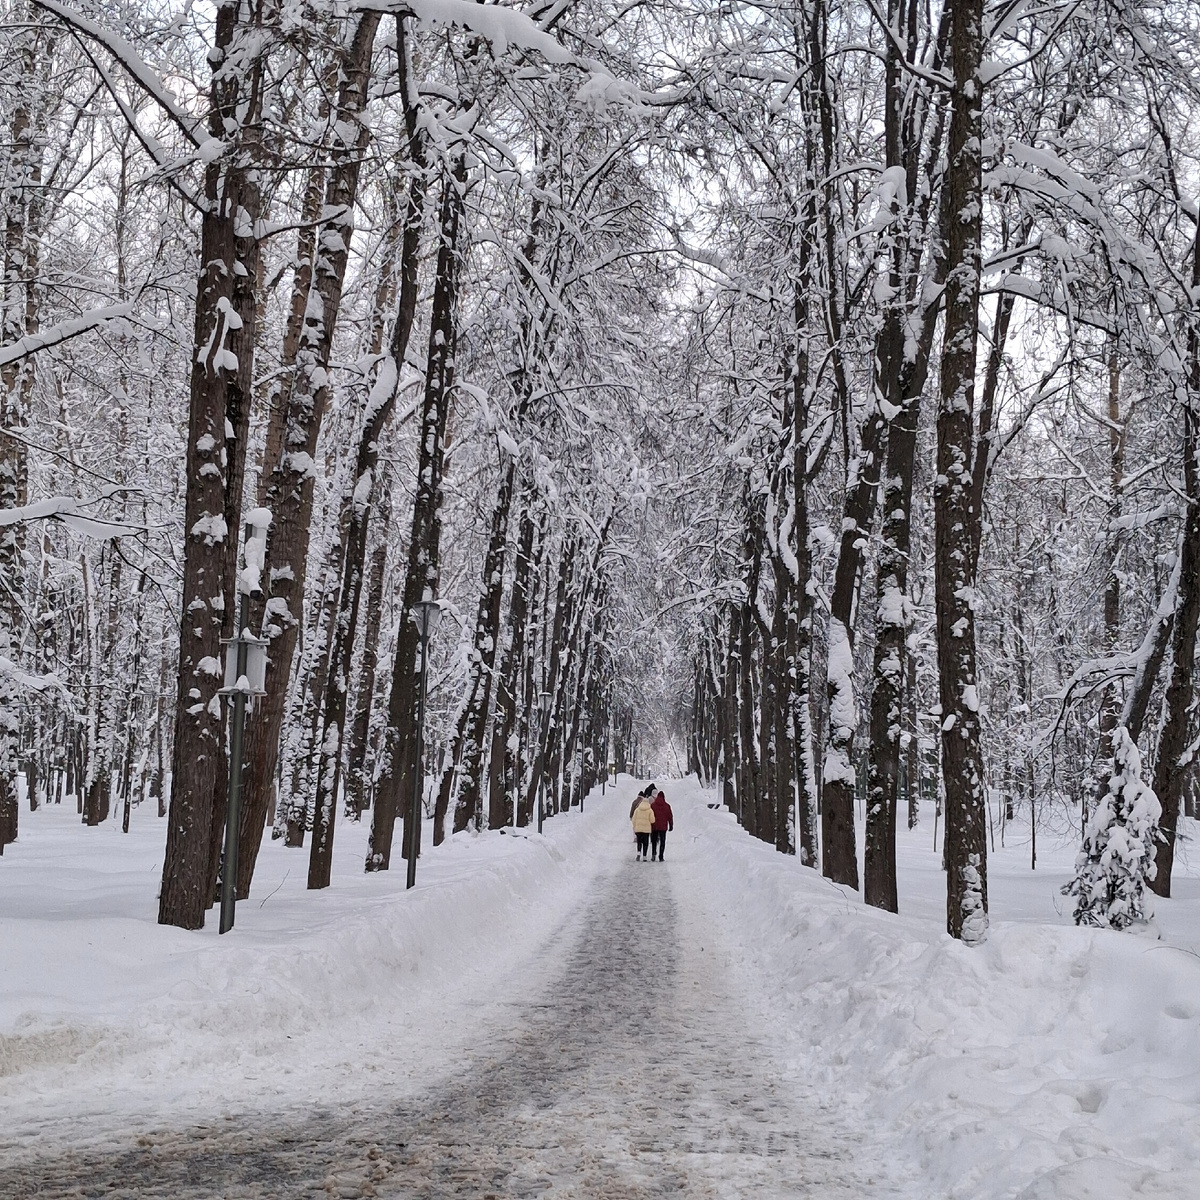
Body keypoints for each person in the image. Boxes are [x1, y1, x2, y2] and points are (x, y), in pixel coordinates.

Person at [650, 789, 674, 861]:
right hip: (663, 827)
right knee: (662, 842)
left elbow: (650, 815)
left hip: (654, 826)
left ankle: (653, 854)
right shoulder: (667, 806)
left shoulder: (653, 805)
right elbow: (670, 816)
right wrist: (671, 825)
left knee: (654, 841)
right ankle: (661, 856)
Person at [631, 791, 654, 861]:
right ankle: (644, 856)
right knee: (645, 843)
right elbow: (652, 820)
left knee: (639, 842)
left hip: (638, 829)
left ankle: (638, 853)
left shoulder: (637, 810)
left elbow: (633, 819)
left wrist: (635, 826)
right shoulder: (650, 810)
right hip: (646, 830)